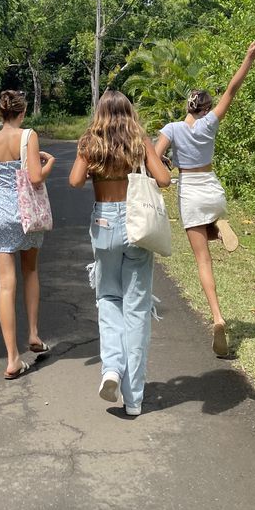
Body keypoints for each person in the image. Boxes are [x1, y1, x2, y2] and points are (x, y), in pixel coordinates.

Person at [154, 40, 255, 358]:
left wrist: (163, 164)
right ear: (206, 107)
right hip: (212, 190)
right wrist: (248, 57)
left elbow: (155, 155)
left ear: (187, 107)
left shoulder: (173, 128)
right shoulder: (211, 124)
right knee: (212, 219)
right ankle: (219, 224)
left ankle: (218, 317)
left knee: (204, 261)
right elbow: (232, 89)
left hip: (189, 191)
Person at [69, 89, 171, 417]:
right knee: (137, 309)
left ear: (100, 112)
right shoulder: (139, 140)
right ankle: (134, 399)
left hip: (103, 223)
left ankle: (111, 368)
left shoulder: (91, 141)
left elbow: (73, 181)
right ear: (129, 112)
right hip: (135, 224)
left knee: (108, 298)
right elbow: (164, 179)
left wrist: (93, 168)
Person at [0, 90, 56, 380]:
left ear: (0, 113)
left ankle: (12, 358)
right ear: (22, 113)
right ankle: (33, 333)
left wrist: (1, 176)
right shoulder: (29, 136)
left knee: (5, 286)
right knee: (31, 270)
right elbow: (35, 178)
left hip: (0, 213)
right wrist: (50, 165)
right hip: (27, 213)